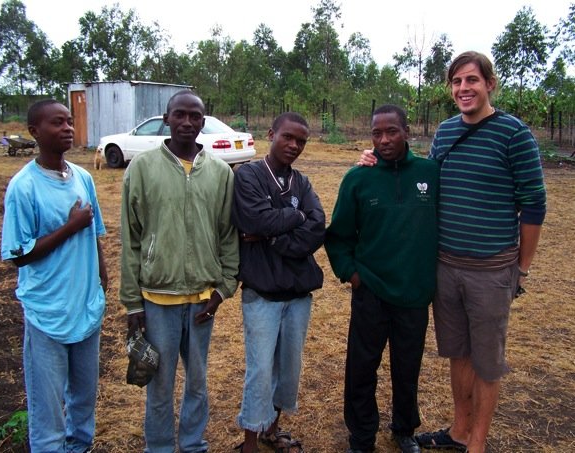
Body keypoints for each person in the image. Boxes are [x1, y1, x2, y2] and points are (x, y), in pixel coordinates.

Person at [360, 51, 546, 453]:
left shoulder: (515, 134)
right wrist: (376, 163)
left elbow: (534, 204)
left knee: (486, 361)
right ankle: (459, 431)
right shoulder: (445, 133)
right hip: (445, 266)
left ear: (489, 84)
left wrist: (522, 269)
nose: (464, 88)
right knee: (458, 353)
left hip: (492, 270)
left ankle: (477, 442)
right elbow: (422, 181)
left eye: (472, 80)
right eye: (457, 82)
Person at [119, 89, 239, 453]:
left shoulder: (220, 172)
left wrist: (223, 289)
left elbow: (228, 236)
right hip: (158, 300)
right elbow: (131, 239)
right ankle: (158, 447)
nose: (187, 122)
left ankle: (192, 443)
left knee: (198, 381)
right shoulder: (141, 167)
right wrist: (133, 305)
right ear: (167, 118)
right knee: (159, 382)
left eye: (195, 116)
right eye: (180, 115)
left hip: (203, 300)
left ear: (204, 121)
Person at [325, 104, 439, 453]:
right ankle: (361, 437)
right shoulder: (358, 178)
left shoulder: (430, 172)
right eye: (377, 133)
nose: (384, 139)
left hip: (414, 293)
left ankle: (404, 429)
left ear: (407, 130)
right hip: (371, 290)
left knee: (408, 367)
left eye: (392, 131)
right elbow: (339, 235)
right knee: (362, 368)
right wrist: (352, 275)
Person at [1, 99, 108, 452]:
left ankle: (81, 446)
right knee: (48, 409)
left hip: (85, 308)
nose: (67, 128)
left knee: (84, 400)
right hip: (47, 312)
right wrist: (70, 226)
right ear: (34, 132)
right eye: (56, 123)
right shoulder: (23, 187)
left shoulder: (84, 178)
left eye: (69, 122)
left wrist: (102, 281)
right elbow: (19, 255)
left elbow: (95, 236)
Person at [231, 112, 325, 453]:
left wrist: (272, 237)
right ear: (271, 133)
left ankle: (273, 429)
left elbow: (317, 226)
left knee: (288, 366)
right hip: (262, 293)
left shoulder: (301, 182)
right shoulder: (249, 176)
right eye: (287, 137)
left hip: (298, 293)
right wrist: (294, 219)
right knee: (260, 369)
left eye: (301, 140)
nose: (294, 145)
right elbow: (255, 218)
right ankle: (250, 442)